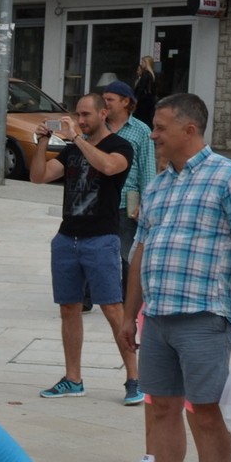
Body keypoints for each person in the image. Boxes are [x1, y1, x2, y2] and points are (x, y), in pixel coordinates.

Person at [116, 93, 231, 462]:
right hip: (158, 316)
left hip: (205, 317)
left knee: (205, 413)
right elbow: (140, 253)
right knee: (162, 408)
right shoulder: (158, 186)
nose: (154, 136)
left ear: (190, 129)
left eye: (160, 127)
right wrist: (128, 314)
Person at [27, 94, 140, 404]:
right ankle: (73, 378)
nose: (80, 120)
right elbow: (38, 176)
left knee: (113, 309)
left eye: (86, 114)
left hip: (101, 239)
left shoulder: (120, 146)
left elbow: (108, 167)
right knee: (69, 309)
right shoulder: (72, 150)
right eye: (77, 115)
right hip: (67, 238)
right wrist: (42, 142)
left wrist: (76, 138)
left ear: (104, 113)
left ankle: (134, 379)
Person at [100, 78, 156, 300]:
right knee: (93, 248)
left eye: (110, 99)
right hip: (98, 200)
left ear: (125, 102)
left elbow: (147, 169)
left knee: (125, 253)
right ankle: (87, 295)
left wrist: (146, 203)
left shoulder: (141, 130)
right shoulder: (97, 126)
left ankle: (126, 297)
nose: (105, 103)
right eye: (103, 99)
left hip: (126, 202)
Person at [132, 56, 158, 126]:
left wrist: (136, 99)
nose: (142, 64)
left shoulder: (146, 74)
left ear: (147, 63)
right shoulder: (153, 74)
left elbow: (141, 88)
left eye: (143, 62)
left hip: (143, 101)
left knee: (141, 118)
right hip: (150, 100)